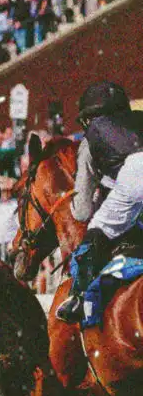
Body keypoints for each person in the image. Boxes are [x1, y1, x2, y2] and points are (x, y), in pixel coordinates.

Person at [56, 82, 143, 324]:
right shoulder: (138, 118)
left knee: (98, 228)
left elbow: (82, 211)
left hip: (137, 175)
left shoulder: (91, 138)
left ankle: (78, 298)